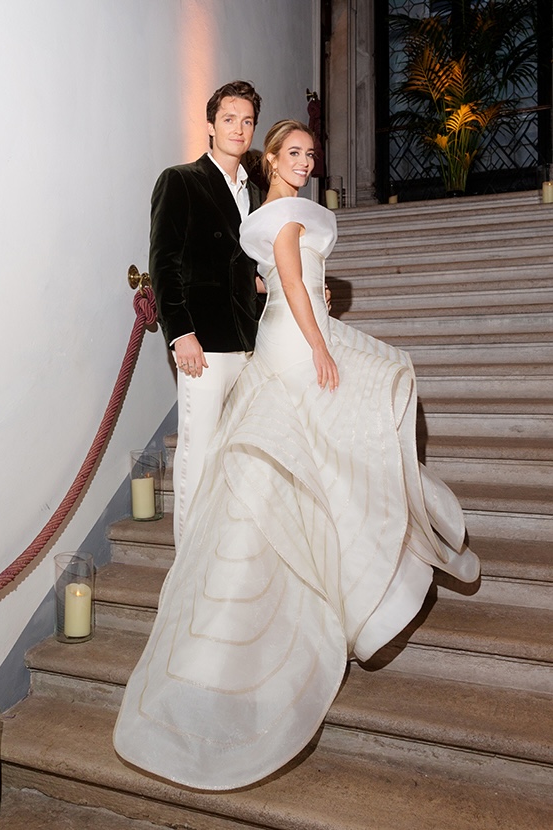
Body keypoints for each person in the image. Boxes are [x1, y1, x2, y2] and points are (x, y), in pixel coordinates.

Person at [114, 120, 480, 790]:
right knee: (320, 440)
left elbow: (276, 286)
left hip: (283, 334)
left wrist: (314, 308)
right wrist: (320, 343)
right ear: (271, 158)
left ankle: (299, 574)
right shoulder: (283, 217)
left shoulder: (274, 213)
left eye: (312, 155)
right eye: (294, 153)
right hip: (292, 344)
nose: (306, 163)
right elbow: (292, 280)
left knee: (300, 457)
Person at [149, 80, 263, 549]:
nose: (239, 128)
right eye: (230, 119)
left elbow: (250, 270)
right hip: (205, 345)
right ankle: (189, 564)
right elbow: (164, 263)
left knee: (236, 452)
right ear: (211, 124)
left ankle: (224, 552)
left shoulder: (253, 191)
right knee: (198, 451)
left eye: (248, 121)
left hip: (250, 342)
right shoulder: (180, 180)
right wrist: (181, 335)